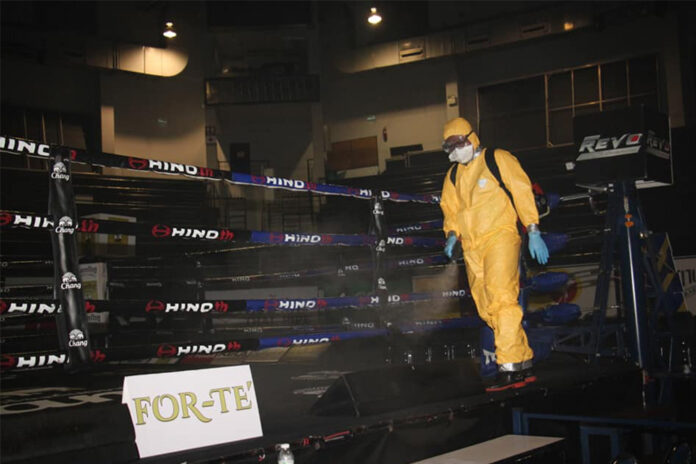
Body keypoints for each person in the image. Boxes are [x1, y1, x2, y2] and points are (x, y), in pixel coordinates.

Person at [439, 117, 549, 392]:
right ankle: (523, 361)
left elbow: (522, 190)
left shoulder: (497, 159)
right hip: (472, 248)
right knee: (487, 308)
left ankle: (509, 367)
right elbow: (450, 210)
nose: (454, 151)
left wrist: (533, 228)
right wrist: (451, 235)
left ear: (470, 138)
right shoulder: (453, 176)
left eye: (457, 143)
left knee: (502, 300)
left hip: (500, 238)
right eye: (449, 147)